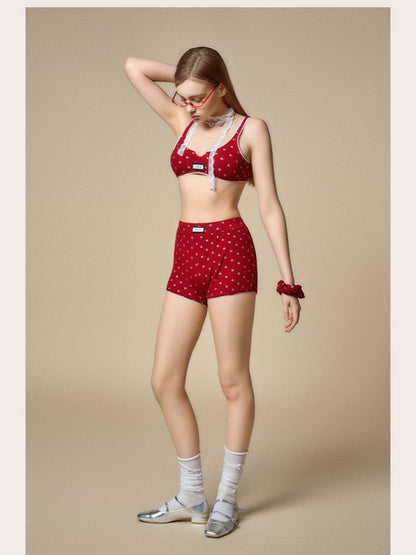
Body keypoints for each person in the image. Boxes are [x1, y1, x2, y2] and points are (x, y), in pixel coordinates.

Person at [124, 46, 305, 539]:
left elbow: (269, 205)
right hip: (186, 251)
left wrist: (288, 283)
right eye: (182, 97)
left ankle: (226, 498)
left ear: (221, 87)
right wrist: (188, 77)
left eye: (198, 97)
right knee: (164, 380)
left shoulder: (251, 130)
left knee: (232, 380)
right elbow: (134, 67)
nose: (187, 106)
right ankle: (192, 496)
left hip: (230, 250)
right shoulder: (181, 120)